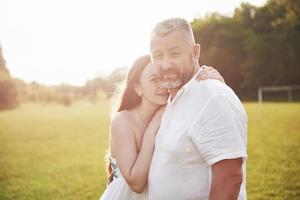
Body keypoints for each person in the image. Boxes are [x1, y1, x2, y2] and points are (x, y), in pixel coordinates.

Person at [99, 55, 225, 200]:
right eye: (153, 79)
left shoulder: (171, 111)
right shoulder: (122, 121)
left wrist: (211, 81)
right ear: (138, 88)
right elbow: (137, 184)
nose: (162, 85)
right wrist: (151, 131)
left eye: (163, 78)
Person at [148, 18, 247, 200]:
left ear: (195, 53)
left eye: (174, 53)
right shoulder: (170, 99)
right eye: (158, 55)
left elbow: (230, 177)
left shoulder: (213, 96)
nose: (165, 64)